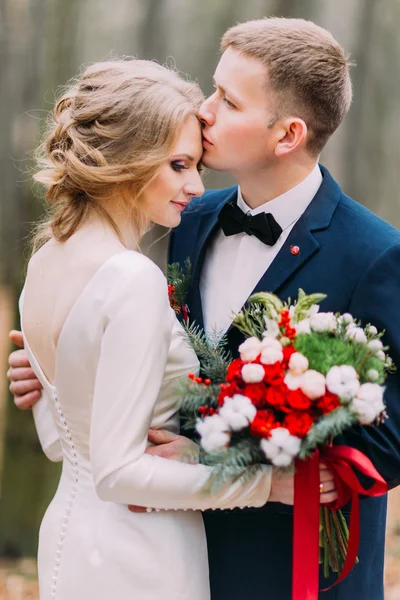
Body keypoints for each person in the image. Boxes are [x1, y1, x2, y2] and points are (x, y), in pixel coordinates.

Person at [8, 17, 400, 600]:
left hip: (287, 572)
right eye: (212, 88)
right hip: (163, 547)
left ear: (287, 134)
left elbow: (383, 448)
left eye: (228, 100)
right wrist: (68, 376)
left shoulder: (374, 255)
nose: (204, 110)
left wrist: (211, 452)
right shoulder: (185, 219)